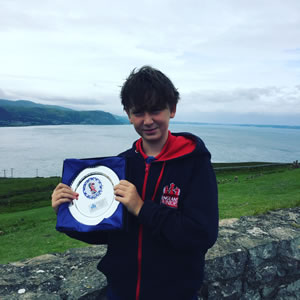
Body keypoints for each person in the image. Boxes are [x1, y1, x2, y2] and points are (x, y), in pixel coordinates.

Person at [51, 66, 218, 300]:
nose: (148, 121)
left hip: (175, 293)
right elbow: (107, 233)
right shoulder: (120, 166)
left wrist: (142, 208)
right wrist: (69, 212)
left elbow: (202, 235)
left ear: (173, 109)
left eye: (156, 110)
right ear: (128, 114)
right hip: (121, 291)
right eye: (139, 112)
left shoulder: (194, 163)